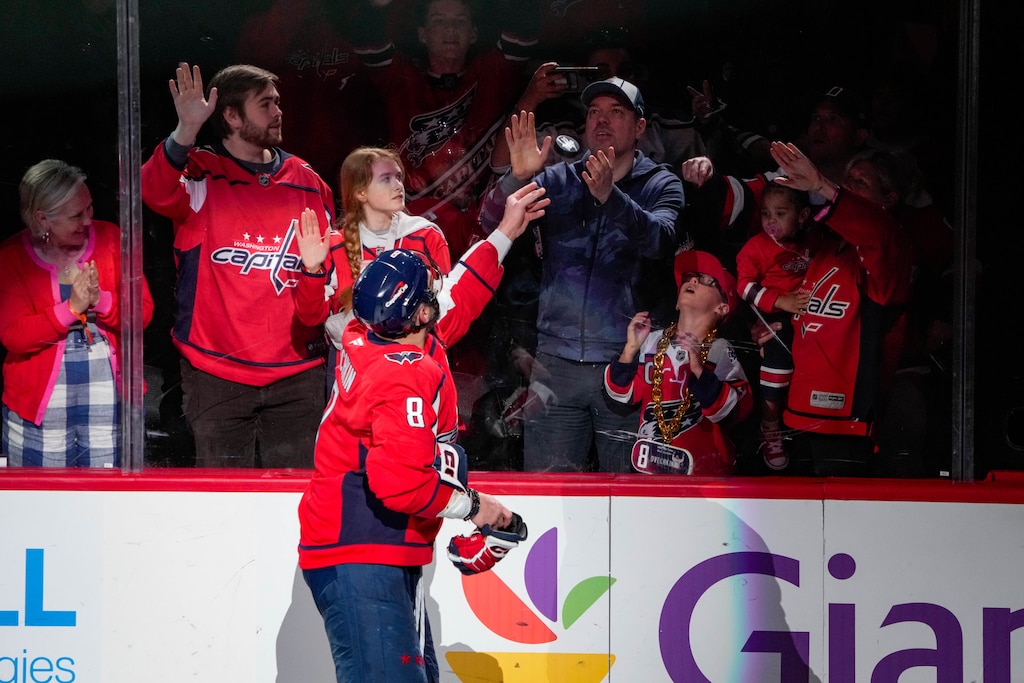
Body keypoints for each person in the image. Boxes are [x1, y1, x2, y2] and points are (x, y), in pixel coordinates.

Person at [298, 183, 549, 682]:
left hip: (372, 550)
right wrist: (476, 507)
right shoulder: (402, 372)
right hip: (362, 552)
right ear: (419, 314)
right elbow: (398, 483)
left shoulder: (362, 332)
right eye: (430, 291)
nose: (440, 290)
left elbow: (461, 290)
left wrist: (502, 234)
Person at [479, 76, 685, 472]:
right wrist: (517, 178)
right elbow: (491, 222)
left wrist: (612, 197)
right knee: (550, 491)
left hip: (629, 367)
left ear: (640, 127)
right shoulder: (559, 179)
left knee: (632, 496)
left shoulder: (661, 183)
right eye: (593, 112)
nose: (601, 121)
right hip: (556, 366)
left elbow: (660, 241)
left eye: (616, 112)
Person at [141, 62, 335, 468]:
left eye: (278, 103)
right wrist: (185, 132)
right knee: (221, 504)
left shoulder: (307, 181)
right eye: (265, 105)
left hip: (298, 375)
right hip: (216, 374)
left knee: (295, 499)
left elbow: (331, 270)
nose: (278, 112)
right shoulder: (199, 173)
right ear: (231, 116)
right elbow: (153, 191)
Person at [351, 0, 538, 264]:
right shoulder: (402, 78)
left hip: (485, 230)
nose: (450, 29)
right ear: (422, 34)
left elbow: (524, 33)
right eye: (439, 21)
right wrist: (376, 7)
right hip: (412, 235)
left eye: (459, 21)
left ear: (473, 33)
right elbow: (367, 41)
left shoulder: (490, 73)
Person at [0, 159, 154, 467]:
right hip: (42, 405)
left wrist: (101, 301)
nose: (87, 220)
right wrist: (72, 308)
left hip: (108, 397)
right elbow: (14, 336)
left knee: (107, 495)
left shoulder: (112, 239)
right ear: (43, 219)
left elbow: (144, 312)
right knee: (45, 499)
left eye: (89, 208)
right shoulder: (12, 256)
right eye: (76, 215)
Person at [293, 146, 453, 390]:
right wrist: (313, 269)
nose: (398, 185)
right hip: (350, 365)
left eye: (399, 177)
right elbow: (310, 317)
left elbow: (445, 310)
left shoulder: (425, 236)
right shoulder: (334, 244)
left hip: (415, 360)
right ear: (360, 193)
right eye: (386, 179)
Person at [604, 250, 751, 475]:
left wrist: (699, 371)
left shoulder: (720, 350)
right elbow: (621, 397)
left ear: (722, 307)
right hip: (648, 469)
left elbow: (736, 411)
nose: (692, 280)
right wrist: (630, 349)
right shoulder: (652, 341)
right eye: (690, 277)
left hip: (701, 470)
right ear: (676, 303)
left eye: (705, 281)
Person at [734, 180, 813, 471]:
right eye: (766, 213)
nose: (771, 221)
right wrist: (781, 301)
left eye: (780, 213)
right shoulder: (756, 247)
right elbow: (744, 286)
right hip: (774, 316)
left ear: (802, 216)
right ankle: (770, 427)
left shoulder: (812, 242)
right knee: (778, 367)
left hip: (807, 315)